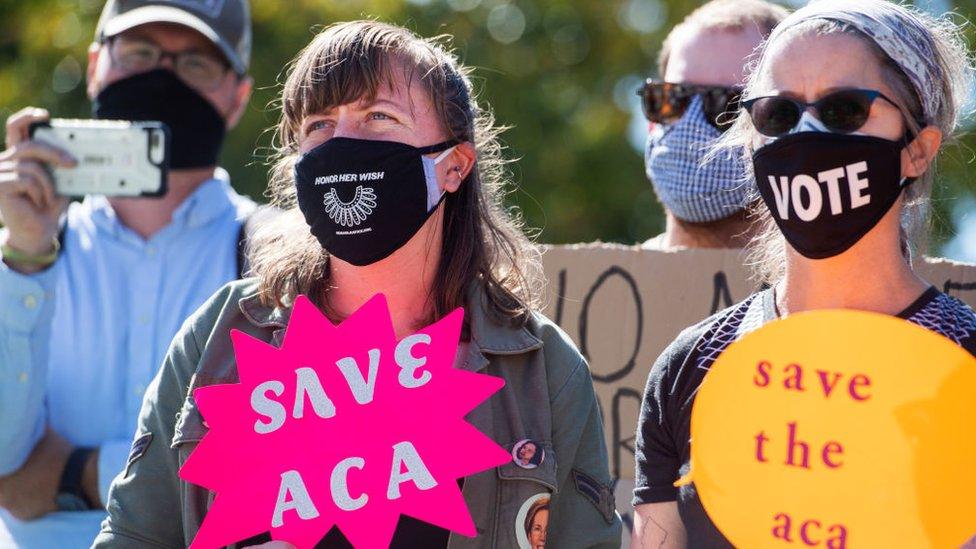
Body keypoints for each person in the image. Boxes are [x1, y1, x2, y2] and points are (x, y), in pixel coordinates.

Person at [94, 20, 622, 548]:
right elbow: (136, 535)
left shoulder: (541, 368)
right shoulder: (221, 336)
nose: (343, 142)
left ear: (454, 166)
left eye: (378, 116)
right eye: (319, 124)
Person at [632, 0, 975, 546]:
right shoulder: (687, 367)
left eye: (842, 111)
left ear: (917, 150)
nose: (803, 136)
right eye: (778, 114)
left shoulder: (967, 362)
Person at [0, 0, 254, 546]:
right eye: (139, 52)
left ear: (238, 98)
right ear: (95, 67)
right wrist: (23, 254)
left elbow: (279, 468)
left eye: (195, 63)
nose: (163, 77)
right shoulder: (19, 246)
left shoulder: (283, 255)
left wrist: (74, 473)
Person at [638, 0, 788, 250]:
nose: (690, 124)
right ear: (651, 125)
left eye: (729, 105)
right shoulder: (599, 283)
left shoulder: (841, 288)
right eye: (673, 98)